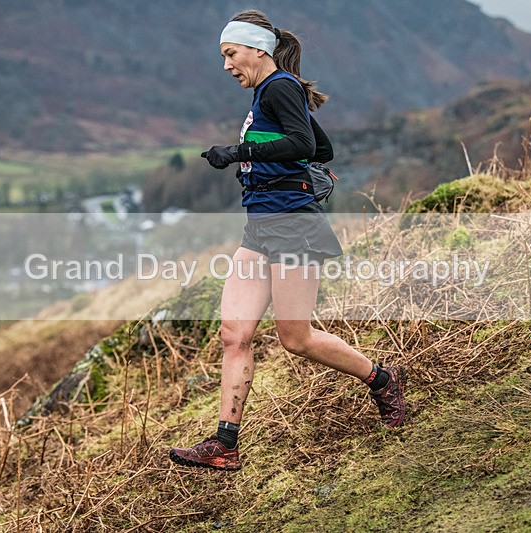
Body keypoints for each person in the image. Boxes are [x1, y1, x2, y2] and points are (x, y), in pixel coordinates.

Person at [169, 10, 407, 471]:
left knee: (296, 339)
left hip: (294, 224)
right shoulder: (271, 93)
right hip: (262, 226)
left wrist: (237, 153)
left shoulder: (279, 87)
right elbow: (321, 149)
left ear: (257, 49)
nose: (226, 65)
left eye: (230, 54)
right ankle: (225, 443)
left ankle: (382, 379)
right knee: (234, 333)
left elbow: (299, 144)